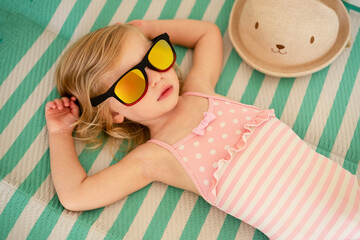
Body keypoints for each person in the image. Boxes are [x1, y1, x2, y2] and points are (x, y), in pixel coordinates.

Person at [45, 19, 360, 239]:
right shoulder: (153, 158)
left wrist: (150, 29)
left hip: (349, 196)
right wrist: (59, 133)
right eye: (131, 83)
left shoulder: (199, 89)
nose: (155, 77)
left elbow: (207, 34)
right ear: (114, 114)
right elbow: (75, 195)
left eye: (154, 57)